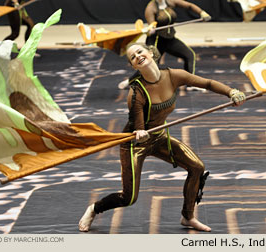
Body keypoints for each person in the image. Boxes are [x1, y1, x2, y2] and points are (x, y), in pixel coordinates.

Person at [79, 43, 246, 232]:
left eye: (140, 51)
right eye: (133, 57)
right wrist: (140, 132)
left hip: (159, 137)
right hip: (135, 143)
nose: (138, 56)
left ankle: (188, 216)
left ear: (151, 53)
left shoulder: (173, 75)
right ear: (134, 66)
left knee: (197, 167)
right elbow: (139, 126)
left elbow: (207, 83)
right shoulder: (136, 91)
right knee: (129, 197)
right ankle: (94, 209)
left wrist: (231, 92)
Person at [118, 0, 211, 89]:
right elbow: (152, 26)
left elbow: (189, 5)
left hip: (170, 39)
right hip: (156, 40)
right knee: (149, 64)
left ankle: (191, 84)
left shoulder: (171, 1)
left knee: (190, 55)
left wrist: (201, 12)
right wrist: (150, 30)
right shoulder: (151, 8)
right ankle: (129, 81)